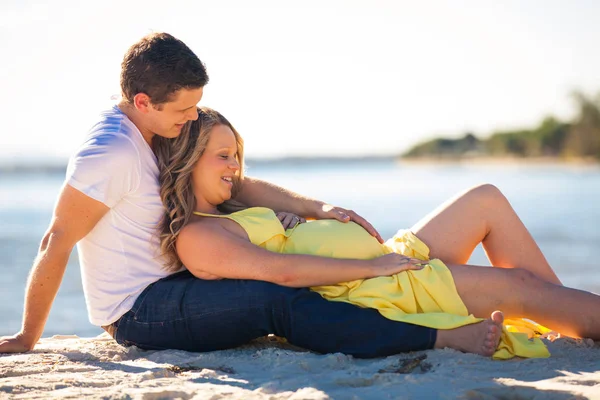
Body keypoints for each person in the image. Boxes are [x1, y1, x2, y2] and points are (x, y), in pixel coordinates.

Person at [0, 32, 482, 359]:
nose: (192, 118)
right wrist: (27, 337)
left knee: (304, 273)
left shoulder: (157, 126)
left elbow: (236, 183)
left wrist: (311, 208)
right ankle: (440, 337)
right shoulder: (108, 154)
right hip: (139, 309)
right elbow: (57, 240)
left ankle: (419, 306)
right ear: (142, 101)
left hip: (185, 275)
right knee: (273, 300)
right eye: (185, 109)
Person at [153, 106, 600, 359]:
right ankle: (562, 309)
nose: (235, 167)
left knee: (485, 198)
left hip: (386, 261)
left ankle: (563, 314)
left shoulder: (236, 198)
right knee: (518, 286)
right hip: (378, 287)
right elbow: (283, 272)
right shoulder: (199, 236)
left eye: (237, 156)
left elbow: (254, 186)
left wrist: (319, 209)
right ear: (187, 160)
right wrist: (372, 267)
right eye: (223, 157)